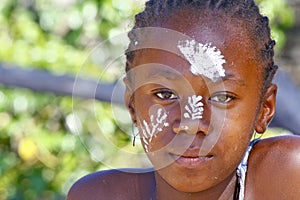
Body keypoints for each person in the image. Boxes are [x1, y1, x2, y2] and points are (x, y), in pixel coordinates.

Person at [67, 0, 300, 199]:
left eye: (222, 97)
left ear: (264, 109)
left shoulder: (287, 177)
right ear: (133, 105)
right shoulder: (99, 195)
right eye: (165, 95)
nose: (190, 123)